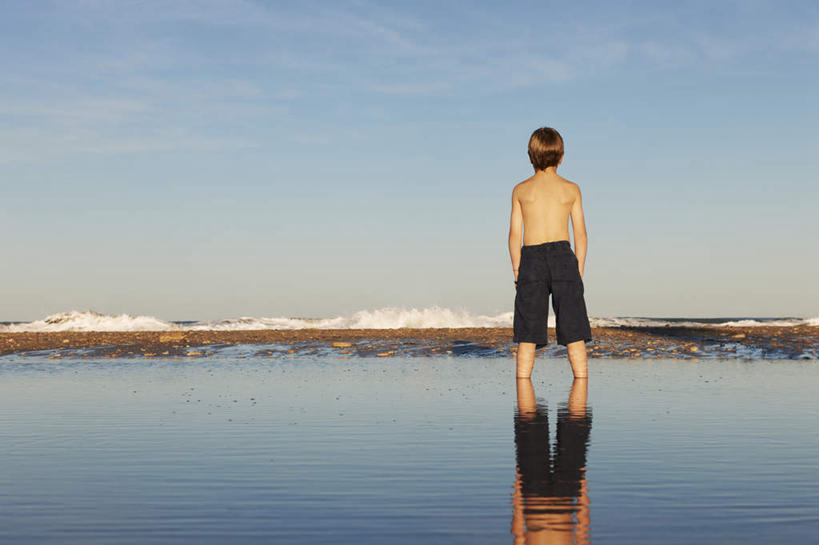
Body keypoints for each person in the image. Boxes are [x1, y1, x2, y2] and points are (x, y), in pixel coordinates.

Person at [509, 127, 592, 379]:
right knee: (574, 328)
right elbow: (581, 235)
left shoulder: (521, 190)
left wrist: (516, 271)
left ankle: (523, 387)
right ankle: (581, 386)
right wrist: (578, 270)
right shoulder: (571, 189)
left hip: (531, 258)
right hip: (563, 257)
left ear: (530, 156)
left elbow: (514, 235)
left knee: (528, 331)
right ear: (561, 156)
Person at [511, 378, 592, 544]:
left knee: (530, 425)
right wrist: (582, 488)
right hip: (560, 498)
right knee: (574, 429)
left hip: (537, 499)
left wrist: (518, 487)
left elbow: (518, 533)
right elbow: (582, 532)